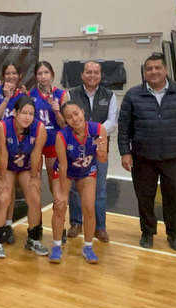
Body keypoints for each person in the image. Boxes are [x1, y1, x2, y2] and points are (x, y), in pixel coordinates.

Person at [118, 53, 176, 252]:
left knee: (174, 198)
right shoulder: (133, 95)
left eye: (157, 68)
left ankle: (174, 234)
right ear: (144, 72)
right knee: (145, 198)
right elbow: (124, 127)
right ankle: (147, 231)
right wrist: (125, 152)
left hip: (174, 157)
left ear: (166, 70)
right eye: (149, 69)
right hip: (142, 157)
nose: (153, 72)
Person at [49, 101, 107, 264]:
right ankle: (56, 245)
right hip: (65, 171)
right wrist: (61, 192)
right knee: (60, 205)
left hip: (87, 170)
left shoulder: (97, 129)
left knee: (89, 207)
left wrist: (101, 152)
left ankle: (88, 246)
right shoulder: (62, 135)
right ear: (65, 120)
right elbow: (63, 165)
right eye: (69, 117)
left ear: (82, 111)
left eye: (76, 113)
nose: (74, 118)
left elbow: (103, 159)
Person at [67, 61, 118, 243]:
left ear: (100, 75)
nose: (92, 75)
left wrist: (92, 133)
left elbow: (112, 122)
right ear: (82, 74)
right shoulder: (71, 94)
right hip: (75, 149)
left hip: (99, 149)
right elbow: (68, 119)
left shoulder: (109, 95)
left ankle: (100, 227)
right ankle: (75, 223)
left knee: (100, 189)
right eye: (88, 72)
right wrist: (82, 135)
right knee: (74, 189)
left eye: (96, 72)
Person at [0, 96, 47, 258]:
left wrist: (34, 176)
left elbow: (37, 154)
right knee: (3, 197)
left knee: (35, 198)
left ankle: (33, 238)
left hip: (26, 166)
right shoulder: (3, 126)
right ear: (15, 112)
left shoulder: (39, 128)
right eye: (24, 113)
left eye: (31, 114)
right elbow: (2, 153)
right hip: (6, 165)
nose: (27, 117)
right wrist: (2, 177)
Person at [29, 61, 68, 192]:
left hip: (54, 142)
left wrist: (57, 112)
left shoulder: (62, 95)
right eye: (40, 73)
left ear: (52, 75)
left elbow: (64, 125)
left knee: (54, 178)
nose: (43, 76)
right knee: (35, 177)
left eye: (46, 72)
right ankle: (36, 210)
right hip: (36, 143)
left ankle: (57, 209)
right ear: (36, 76)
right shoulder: (30, 95)